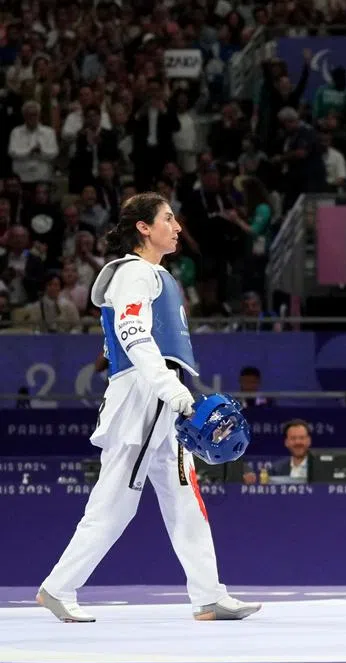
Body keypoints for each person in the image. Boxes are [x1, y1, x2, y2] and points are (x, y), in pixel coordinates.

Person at [37, 192, 262, 623]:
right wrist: (170, 391)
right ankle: (58, 588)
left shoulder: (157, 276)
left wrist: (178, 391)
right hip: (146, 396)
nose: (177, 227)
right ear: (143, 227)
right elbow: (133, 335)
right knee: (116, 502)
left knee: (185, 497)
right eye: (168, 219)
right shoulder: (133, 273)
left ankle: (209, 595)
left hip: (163, 395)